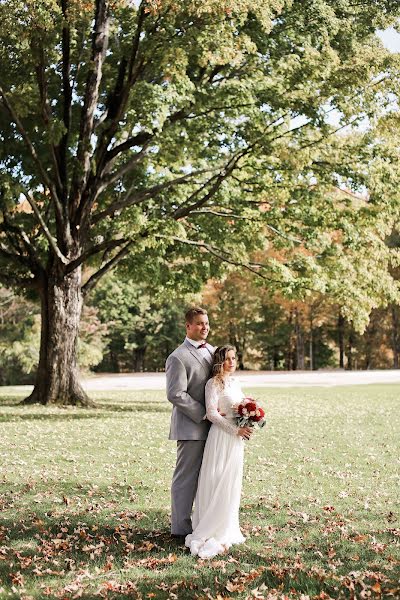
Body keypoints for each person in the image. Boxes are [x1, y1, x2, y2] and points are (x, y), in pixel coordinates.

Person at [185, 345, 253, 559]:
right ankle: (211, 525)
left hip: (236, 440)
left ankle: (228, 525)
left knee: (232, 481)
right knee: (217, 479)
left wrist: (250, 416)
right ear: (219, 361)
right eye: (228, 359)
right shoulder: (212, 384)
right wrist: (235, 430)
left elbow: (241, 405)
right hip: (222, 437)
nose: (232, 362)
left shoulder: (235, 382)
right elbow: (212, 414)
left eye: (234, 358)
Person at [165, 307, 215, 539]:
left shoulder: (214, 352)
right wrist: (204, 413)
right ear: (188, 326)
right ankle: (180, 528)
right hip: (192, 427)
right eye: (199, 324)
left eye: (206, 323)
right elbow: (176, 394)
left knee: (210, 477)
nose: (204, 327)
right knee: (186, 478)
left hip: (216, 427)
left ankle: (204, 523)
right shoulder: (177, 357)